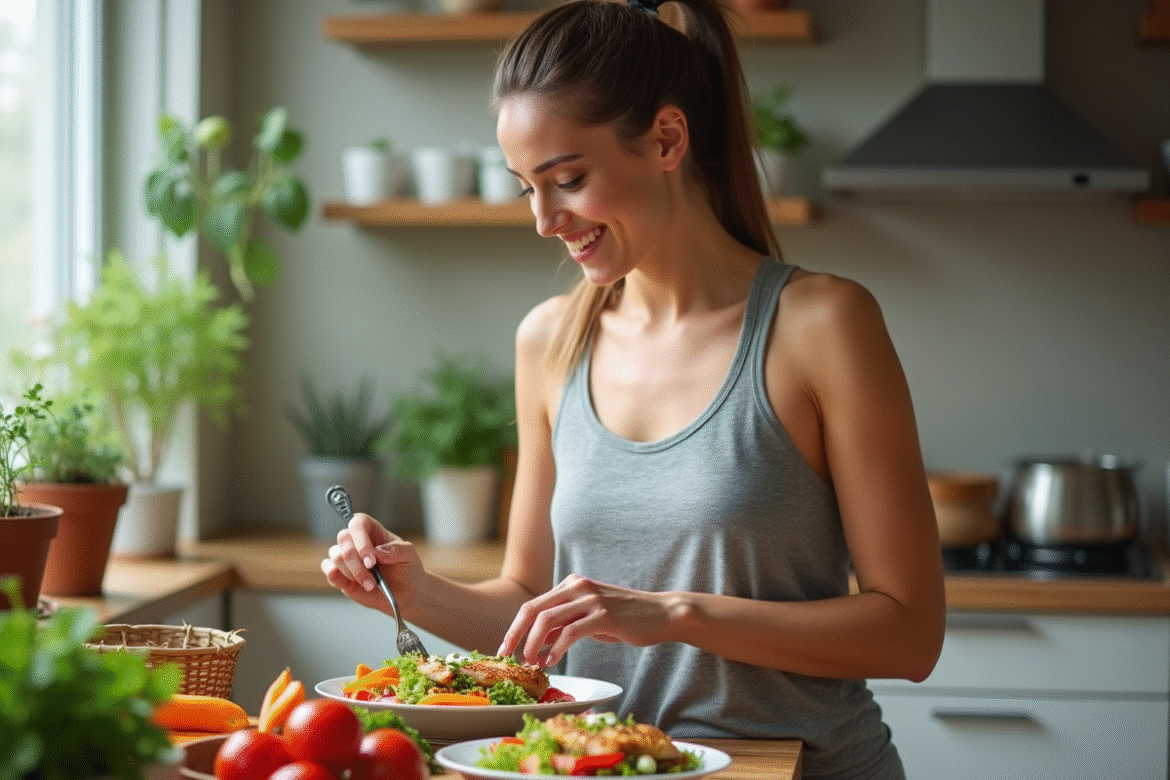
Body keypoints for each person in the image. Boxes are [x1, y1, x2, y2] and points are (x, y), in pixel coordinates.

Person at [323, 0, 946, 776]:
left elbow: (910, 635)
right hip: (610, 764)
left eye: (568, 179)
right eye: (526, 188)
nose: (545, 220)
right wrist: (415, 591)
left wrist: (676, 614)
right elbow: (529, 601)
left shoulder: (822, 324)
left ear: (667, 139)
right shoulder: (549, 340)